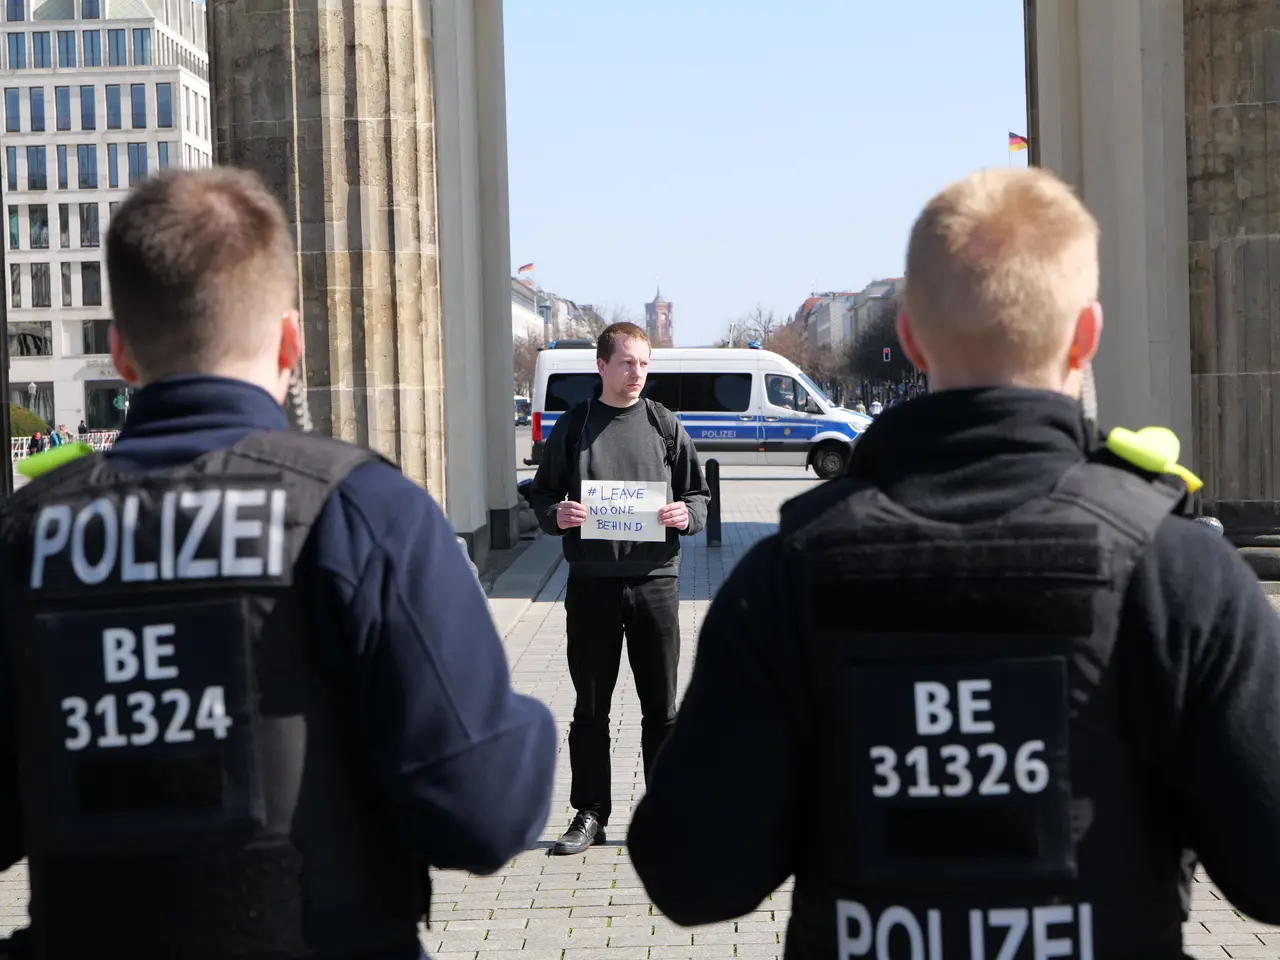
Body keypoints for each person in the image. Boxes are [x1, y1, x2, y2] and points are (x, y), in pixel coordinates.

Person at [628, 167, 1280, 956]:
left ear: (908, 336)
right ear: (1086, 334)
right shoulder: (1178, 570)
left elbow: (691, 874)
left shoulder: (788, 574)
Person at [0, 168, 558, 959]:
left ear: (120, 353)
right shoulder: (363, 513)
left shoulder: (26, 536)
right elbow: (484, 813)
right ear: (292, 340)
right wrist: (521, 723)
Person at [528, 322, 709, 856]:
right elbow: (542, 494)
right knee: (590, 708)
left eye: (644, 364)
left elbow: (697, 494)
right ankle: (590, 813)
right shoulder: (576, 425)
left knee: (662, 708)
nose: (637, 373)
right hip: (592, 588)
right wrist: (556, 515)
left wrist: (686, 516)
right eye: (628, 362)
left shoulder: (664, 424)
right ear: (602, 366)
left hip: (656, 584)